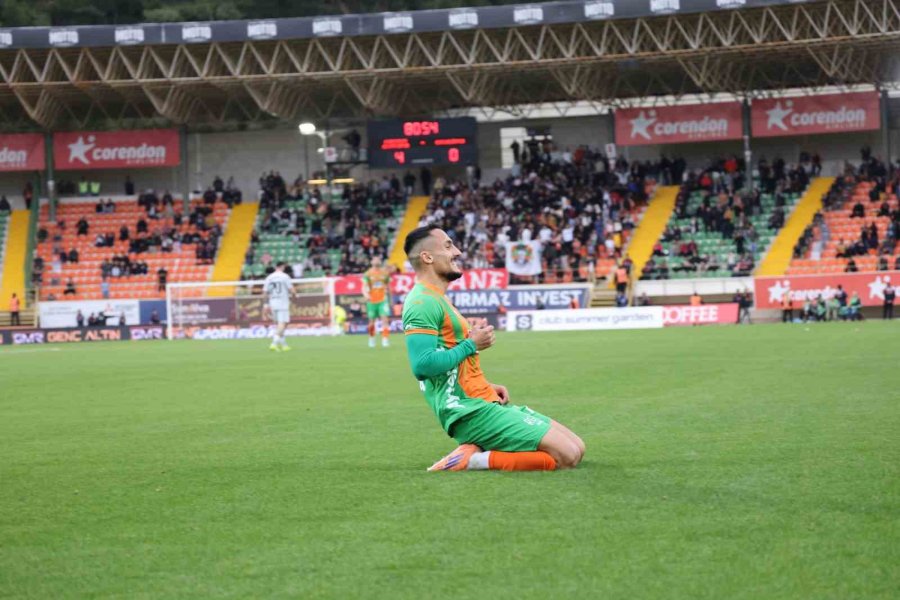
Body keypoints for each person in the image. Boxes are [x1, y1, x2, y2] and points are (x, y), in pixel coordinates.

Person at [401, 224, 584, 472]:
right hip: (468, 412)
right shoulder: (421, 302)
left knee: (578, 447)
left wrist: (486, 385)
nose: (457, 252)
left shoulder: (438, 298)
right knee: (567, 456)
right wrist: (471, 344)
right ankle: (472, 460)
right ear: (427, 257)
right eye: (448, 246)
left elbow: (453, 361)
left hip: (482, 400)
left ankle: (478, 449)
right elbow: (423, 366)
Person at [263, 262, 295, 352]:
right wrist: (295, 295)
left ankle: (284, 345)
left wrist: (265, 304)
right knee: (283, 323)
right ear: (282, 267)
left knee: (278, 324)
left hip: (273, 302)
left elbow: (265, 292)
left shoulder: (269, 277)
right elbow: (291, 289)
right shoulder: (285, 276)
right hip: (283, 302)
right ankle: (274, 343)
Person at [362, 256, 393, 348]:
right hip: (371, 301)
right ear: (371, 262)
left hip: (383, 300)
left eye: (378, 259)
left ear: (380, 262)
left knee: (385, 320)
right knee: (371, 321)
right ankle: (372, 338)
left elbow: (389, 287)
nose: (376, 261)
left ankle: (385, 340)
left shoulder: (385, 273)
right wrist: (366, 295)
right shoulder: (367, 274)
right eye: (374, 259)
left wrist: (391, 299)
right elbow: (364, 286)